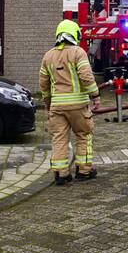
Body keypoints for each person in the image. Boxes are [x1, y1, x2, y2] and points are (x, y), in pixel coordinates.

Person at [39, 19, 101, 185]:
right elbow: (86, 76)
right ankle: (84, 171)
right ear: (75, 34)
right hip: (78, 105)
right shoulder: (78, 52)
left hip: (57, 106)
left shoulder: (48, 56)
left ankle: (61, 174)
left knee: (59, 138)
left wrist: (48, 103)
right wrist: (95, 95)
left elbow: (44, 84)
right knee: (83, 135)